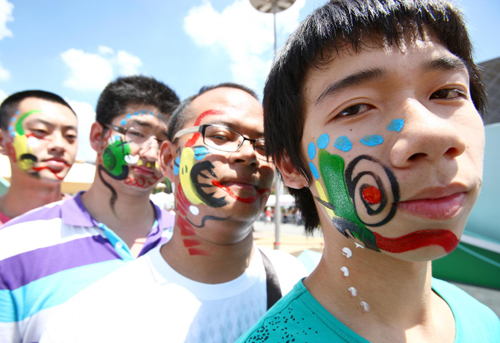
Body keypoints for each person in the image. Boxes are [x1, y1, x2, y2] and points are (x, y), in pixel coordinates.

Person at [237, 0, 500, 342]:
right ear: (289, 164)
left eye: (447, 92)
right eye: (356, 108)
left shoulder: (483, 319)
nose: (435, 135)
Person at [39, 83, 308, 343]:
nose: (249, 154)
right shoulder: (91, 320)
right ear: (168, 160)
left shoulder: (300, 283)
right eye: (220, 136)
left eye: (264, 146)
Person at [0, 76, 180, 342]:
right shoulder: (15, 245)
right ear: (97, 136)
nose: (152, 154)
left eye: (164, 142)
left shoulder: (186, 240)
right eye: (137, 133)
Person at [0, 90, 78, 225]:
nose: (59, 145)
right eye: (40, 131)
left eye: (70, 136)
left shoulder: (97, 222)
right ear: (2, 141)